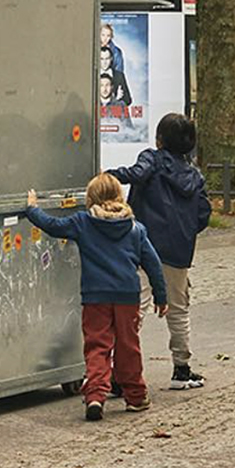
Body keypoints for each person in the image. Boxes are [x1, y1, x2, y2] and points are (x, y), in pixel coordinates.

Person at [25, 174, 167, 418]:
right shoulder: (135, 228)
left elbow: (53, 226)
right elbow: (153, 264)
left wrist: (32, 208)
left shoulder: (83, 222)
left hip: (95, 297)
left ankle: (95, 396)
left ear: (90, 198)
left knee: (97, 347)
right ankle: (135, 396)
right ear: (119, 196)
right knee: (128, 347)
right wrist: (161, 296)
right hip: (127, 297)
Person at [113, 112, 213, 389]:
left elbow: (135, 174)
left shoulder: (152, 159)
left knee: (136, 309)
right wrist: (185, 231)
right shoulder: (195, 175)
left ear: (159, 140)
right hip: (178, 251)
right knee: (179, 309)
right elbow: (204, 214)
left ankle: (121, 373)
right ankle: (181, 370)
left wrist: (107, 175)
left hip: (144, 246)